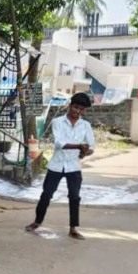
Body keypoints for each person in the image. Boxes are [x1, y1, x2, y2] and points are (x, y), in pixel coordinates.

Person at [25, 92, 96, 240]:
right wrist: (79, 146)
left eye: (81, 109)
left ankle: (73, 228)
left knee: (74, 197)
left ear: (84, 111)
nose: (77, 111)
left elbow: (92, 147)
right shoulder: (57, 122)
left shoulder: (86, 125)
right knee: (46, 195)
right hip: (56, 165)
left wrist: (85, 152)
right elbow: (59, 144)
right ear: (70, 105)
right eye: (76, 107)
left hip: (74, 166)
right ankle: (37, 221)